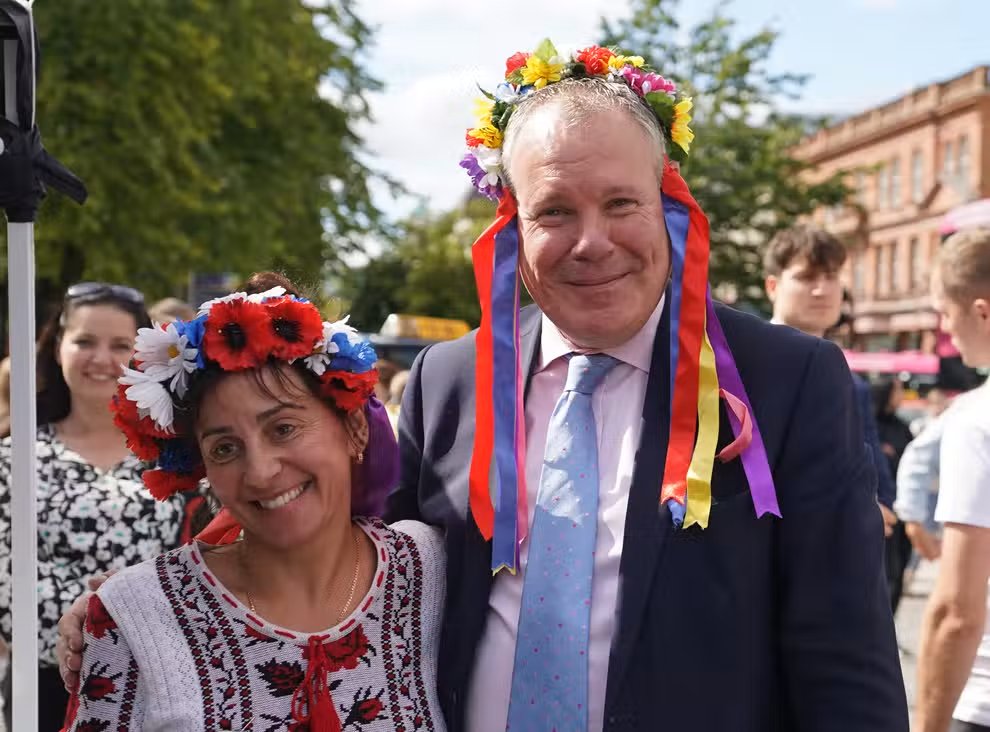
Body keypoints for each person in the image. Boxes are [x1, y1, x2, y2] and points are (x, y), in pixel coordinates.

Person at [387, 41, 907, 731]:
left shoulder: (791, 381)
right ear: (512, 223)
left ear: (668, 205)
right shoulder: (444, 382)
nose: (592, 241)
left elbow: (846, 664)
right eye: (555, 211)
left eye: (620, 203)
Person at [59, 273, 445, 730]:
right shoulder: (136, 615)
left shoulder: (425, 568)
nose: (260, 471)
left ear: (355, 429)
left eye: (283, 428)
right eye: (224, 448)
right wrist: (128, 605)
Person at [0, 282, 195, 730]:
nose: (102, 359)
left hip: (157, 681)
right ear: (58, 346)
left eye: (120, 345)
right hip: (44, 684)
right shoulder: (16, 455)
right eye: (85, 341)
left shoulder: (177, 458)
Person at [763, 225, 899, 535]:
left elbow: (876, 476)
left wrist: (878, 509)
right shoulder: (743, 365)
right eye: (806, 277)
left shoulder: (854, 383)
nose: (822, 290)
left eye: (832, 277)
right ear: (773, 286)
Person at [915, 228, 990, 732]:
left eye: (946, 311)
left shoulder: (978, 419)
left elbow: (957, 612)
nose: (946, 328)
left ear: (982, 311)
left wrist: (927, 724)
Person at [872, 379, 917, 612]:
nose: (901, 395)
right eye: (898, 390)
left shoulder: (901, 427)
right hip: (879, 508)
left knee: (898, 567)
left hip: (900, 508)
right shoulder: (869, 426)